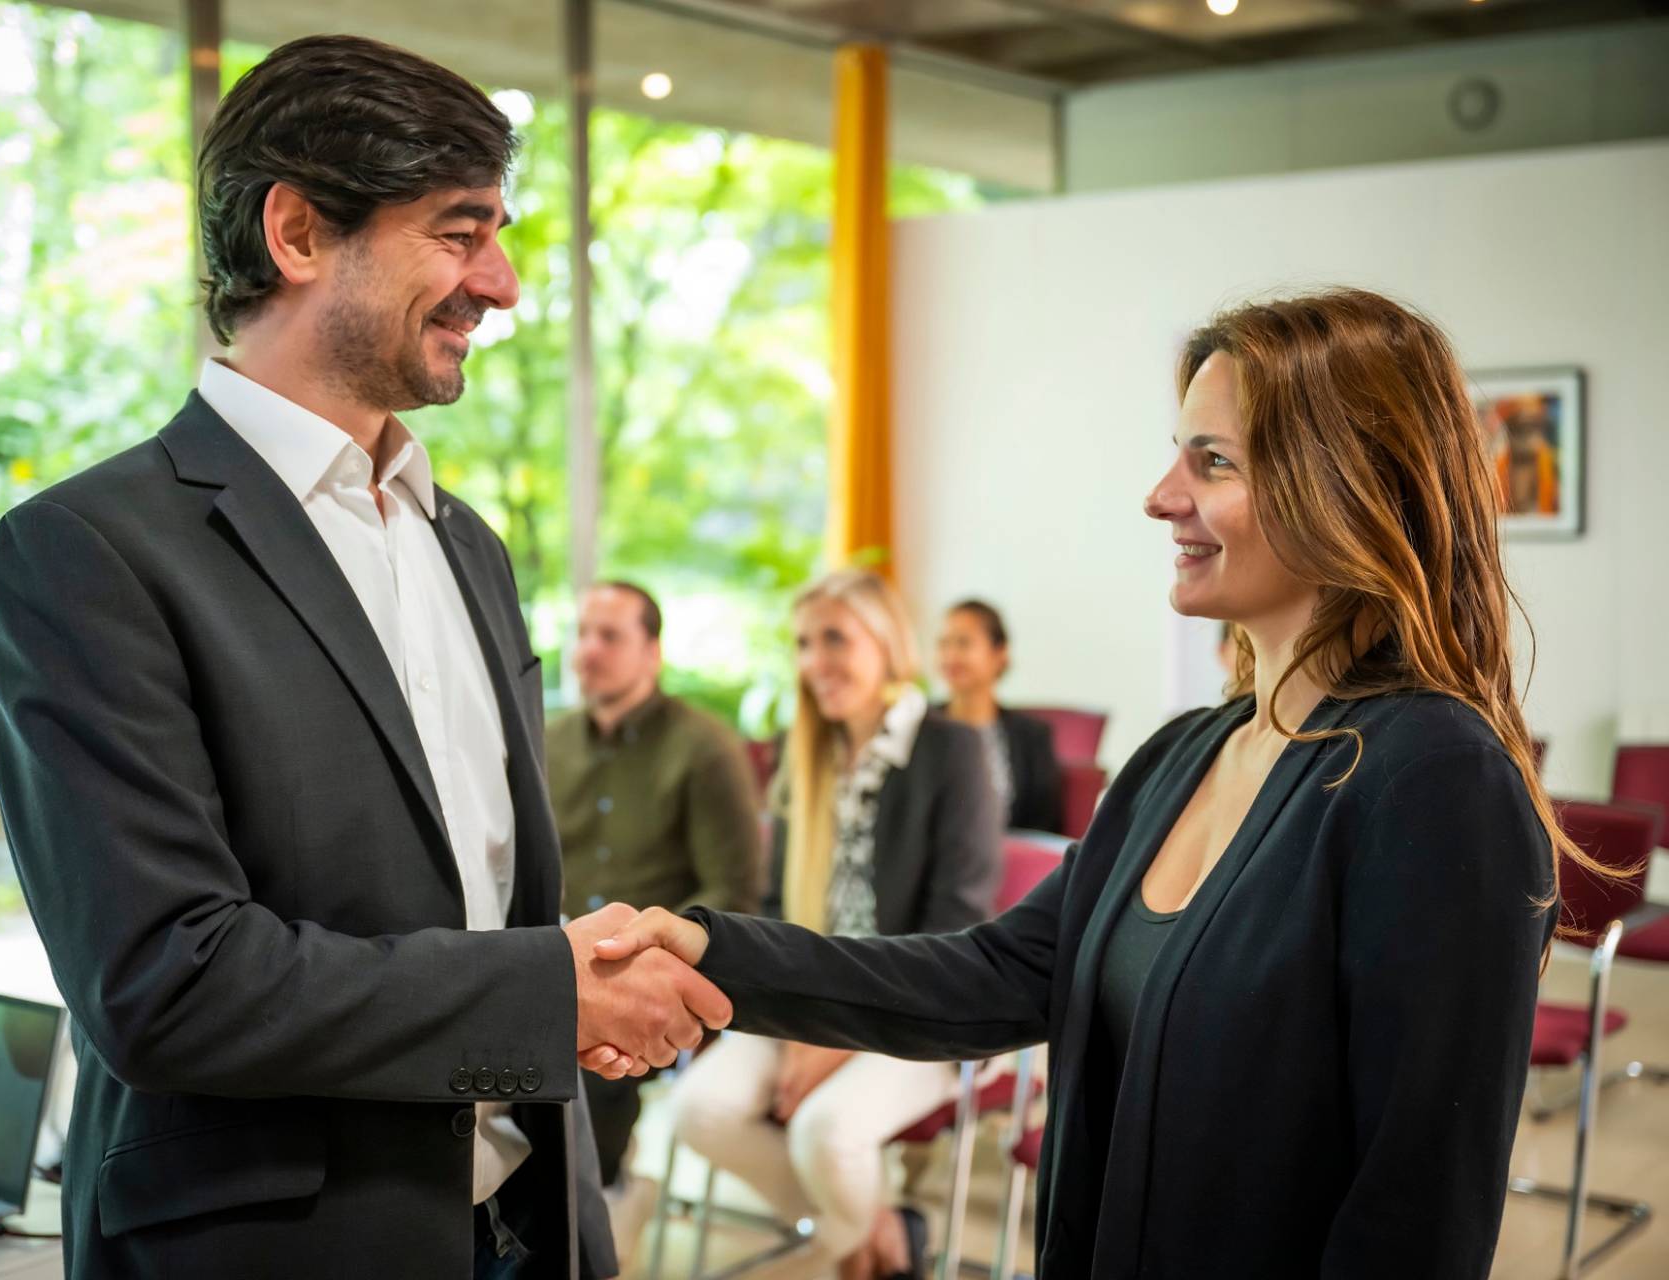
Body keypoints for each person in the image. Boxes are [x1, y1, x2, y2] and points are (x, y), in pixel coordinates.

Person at [592, 289, 1589, 1278]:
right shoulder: (1182, 756)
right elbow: (989, 975)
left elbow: (1415, 1212)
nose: (1161, 496)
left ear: (1343, 485)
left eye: (1212, 461)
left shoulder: (1437, 779)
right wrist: (714, 949)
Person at [0, 36, 728, 1280]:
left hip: (527, 1222)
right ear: (297, 233)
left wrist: (573, 966)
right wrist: (548, 991)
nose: (503, 284)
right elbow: (167, 981)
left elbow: (464, 901)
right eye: (459, 233)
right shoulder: (84, 553)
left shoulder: (468, 546)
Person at [668, 570, 999, 1280]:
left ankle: (836, 1254)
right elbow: (775, 911)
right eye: (803, 644)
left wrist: (836, 1040)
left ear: (887, 644)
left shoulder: (953, 751)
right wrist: (798, 1023)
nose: (815, 661)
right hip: (809, 997)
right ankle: (878, 1233)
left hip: (923, 1010)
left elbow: (953, 929)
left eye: (835, 639)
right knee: (698, 1109)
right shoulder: (807, 758)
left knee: (825, 1132)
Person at [546, 580, 763, 1237]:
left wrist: (639, 962)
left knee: (586, 1061)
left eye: (610, 636)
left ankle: (600, 1205)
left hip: (657, 967)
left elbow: (733, 893)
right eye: (582, 633)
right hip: (555, 956)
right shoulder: (548, 740)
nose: (588, 650)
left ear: (653, 653)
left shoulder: (705, 748)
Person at [935, 599, 1063, 832]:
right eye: (943, 644)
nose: (950, 656)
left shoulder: (1032, 737)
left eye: (963, 643)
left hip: (1013, 853)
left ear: (999, 653)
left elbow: (1044, 827)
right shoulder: (916, 728)